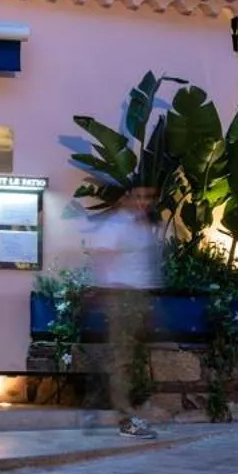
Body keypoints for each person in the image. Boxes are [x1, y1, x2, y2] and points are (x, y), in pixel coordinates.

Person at [87, 185, 162, 439]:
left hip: (137, 297)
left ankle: (102, 406)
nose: (144, 201)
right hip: (122, 296)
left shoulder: (141, 225)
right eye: (139, 196)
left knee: (126, 358)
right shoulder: (117, 224)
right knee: (122, 359)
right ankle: (125, 420)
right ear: (126, 197)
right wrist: (111, 292)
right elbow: (103, 256)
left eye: (148, 197)